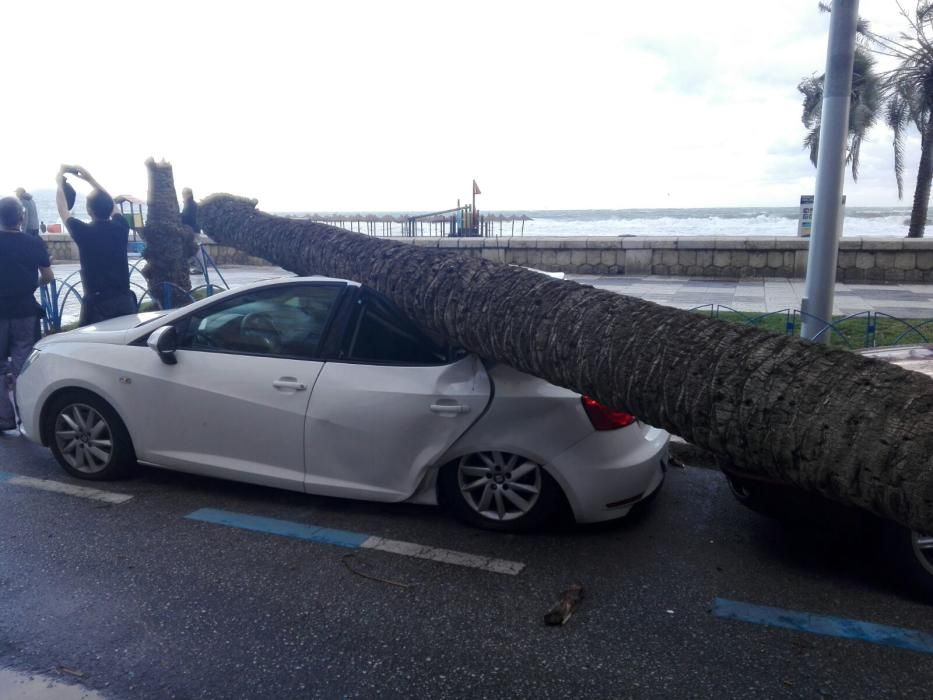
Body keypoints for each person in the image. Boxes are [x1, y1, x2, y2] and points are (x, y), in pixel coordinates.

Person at [56, 165, 136, 326]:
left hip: (98, 303)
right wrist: (90, 179)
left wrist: (59, 182)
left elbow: (62, 209)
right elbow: (112, 204)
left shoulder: (84, 232)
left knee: (93, 347)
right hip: (124, 298)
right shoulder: (121, 227)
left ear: (89, 210)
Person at [0, 196, 53, 432]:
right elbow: (49, 276)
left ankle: (4, 418)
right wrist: (33, 285)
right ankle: (26, 415)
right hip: (25, 309)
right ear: (22, 217)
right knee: (23, 362)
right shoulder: (33, 243)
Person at [182, 187, 204, 275]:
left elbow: (188, 217)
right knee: (195, 248)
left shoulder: (190, 205)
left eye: (184, 194)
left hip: (193, 230)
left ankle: (200, 268)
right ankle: (198, 267)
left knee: (197, 249)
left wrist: (180, 217)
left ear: (189, 194)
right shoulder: (191, 204)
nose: (183, 196)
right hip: (194, 229)